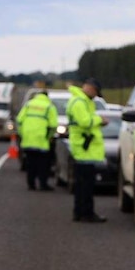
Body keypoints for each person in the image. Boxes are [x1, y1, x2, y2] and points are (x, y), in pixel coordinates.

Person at [67, 78, 109, 222]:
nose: (96, 96)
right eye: (96, 92)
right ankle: (87, 213)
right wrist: (100, 120)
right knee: (86, 185)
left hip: (83, 148)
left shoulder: (83, 101)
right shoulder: (80, 102)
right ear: (90, 88)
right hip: (84, 148)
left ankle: (79, 212)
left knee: (81, 184)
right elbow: (85, 122)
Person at [16, 90, 58, 191]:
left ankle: (31, 184)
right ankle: (43, 184)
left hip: (28, 138)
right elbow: (53, 125)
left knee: (30, 163)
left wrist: (22, 134)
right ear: (47, 96)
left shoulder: (29, 104)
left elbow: (19, 120)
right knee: (43, 164)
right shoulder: (49, 106)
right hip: (41, 140)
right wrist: (49, 137)